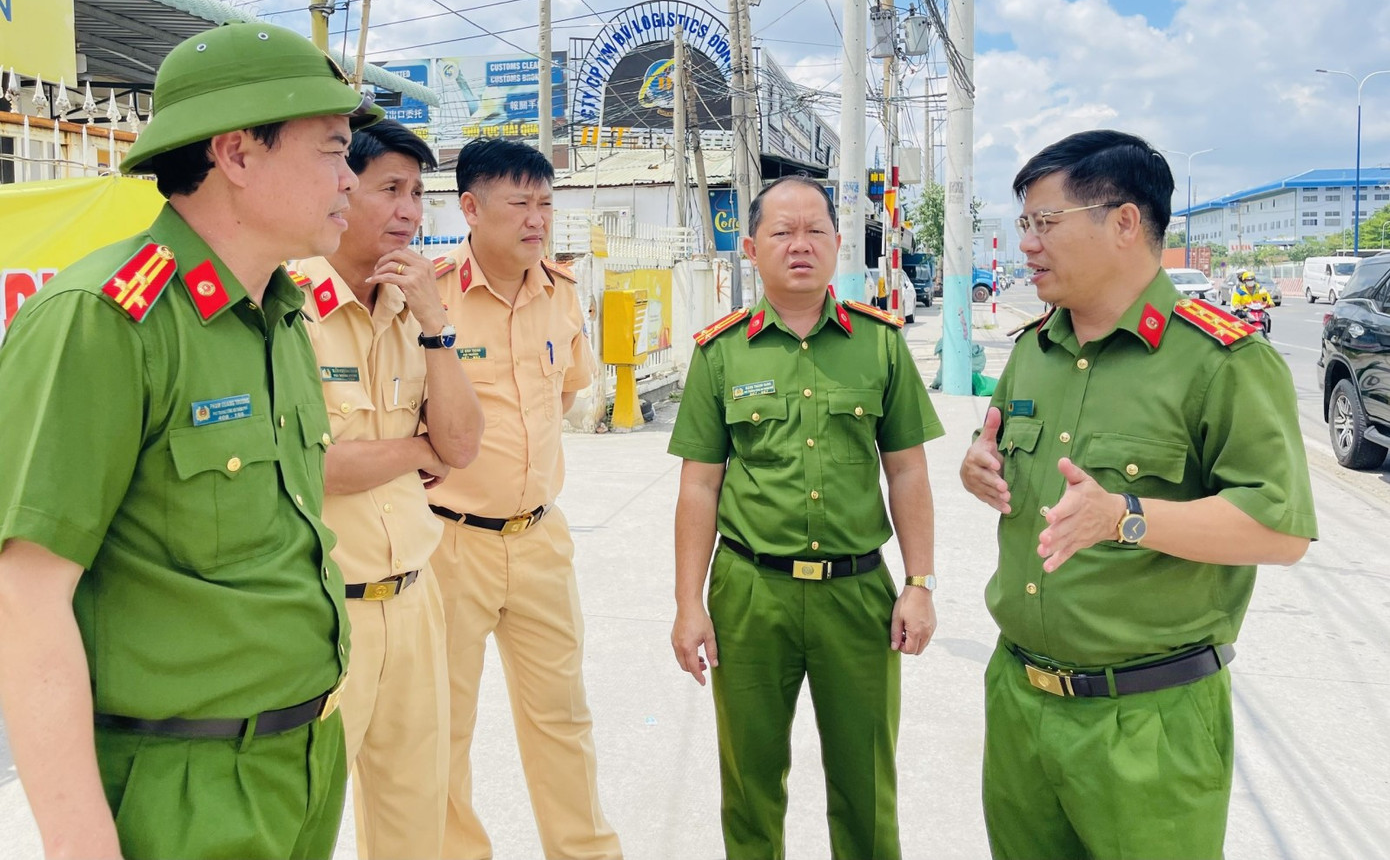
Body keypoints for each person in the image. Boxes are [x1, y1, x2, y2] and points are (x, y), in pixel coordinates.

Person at [0, 22, 383, 858]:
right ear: (236, 154)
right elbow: (25, 598)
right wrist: (80, 844)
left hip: (302, 761)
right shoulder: (105, 320)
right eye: (331, 150)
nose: (351, 180)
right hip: (181, 789)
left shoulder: (279, 315)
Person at [960, 129, 1317, 860]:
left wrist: (1124, 517)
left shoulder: (1220, 361)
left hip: (1148, 723)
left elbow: (1280, 532)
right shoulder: (1034, 351)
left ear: (1124, 221)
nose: (1027, 243)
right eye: (1024, 222)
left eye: (1045, 221)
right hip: (1020, 701)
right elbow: (998, 445)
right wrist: (978, 464)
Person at [669, 174, 943, 860]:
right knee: (750, 783)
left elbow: (907, 471)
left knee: (866, 784)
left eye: (815, 230)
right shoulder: (720, 352)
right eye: (783, 232)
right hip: (749, 594)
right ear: (750, 248)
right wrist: (688, 603)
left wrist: (920, 583)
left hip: (857, 594)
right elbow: (699, 486)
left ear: (837, 242)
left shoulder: (879, 344)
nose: (800, 245)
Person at [295, 119, 485, 858]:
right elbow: (309, 466)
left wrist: (436, 323)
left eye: (417, 193)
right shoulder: (290, 307)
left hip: (413, 600)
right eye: (391, 189)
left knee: (415, 819)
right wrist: (416, 450)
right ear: (343, 188)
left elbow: (461, 445)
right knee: (304, 819)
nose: (409, 211)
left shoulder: (413, 309)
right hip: (324, 612)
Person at [428, 137, 621, 860]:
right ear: (471, 208)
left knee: (563, 719)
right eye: (520, 203)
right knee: (444, 727)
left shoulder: (561, 292)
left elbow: (567, 392)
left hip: (540, 539)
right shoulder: (429, 297)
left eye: (546, 202)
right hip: (450, 542)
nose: (537, 219)